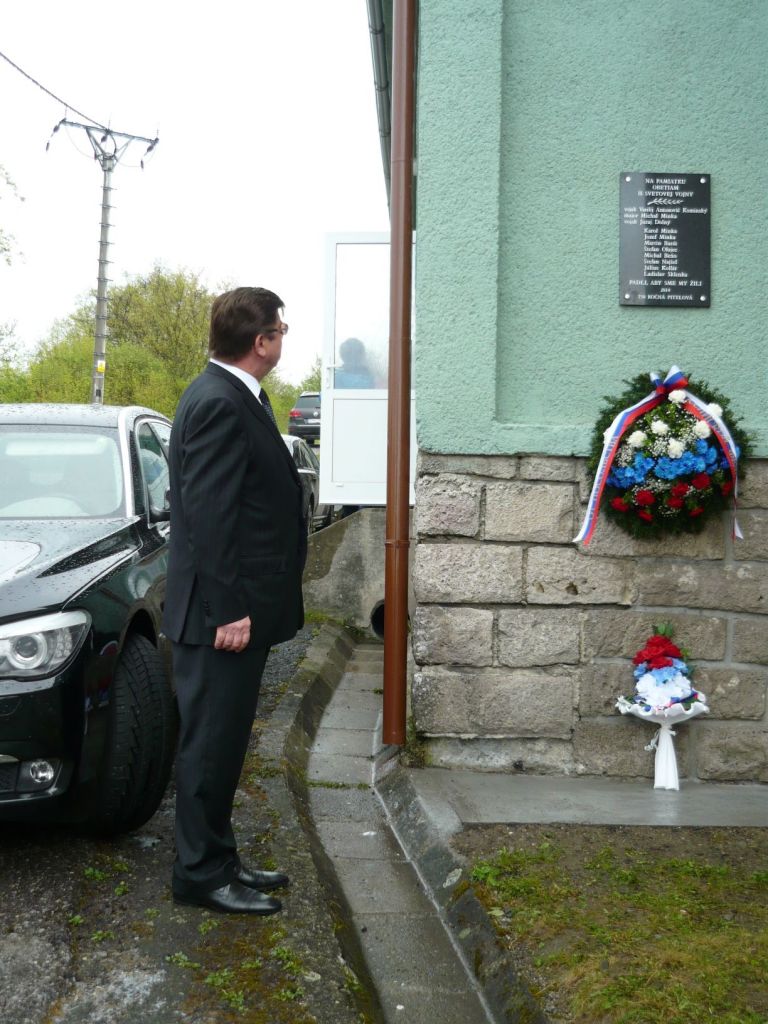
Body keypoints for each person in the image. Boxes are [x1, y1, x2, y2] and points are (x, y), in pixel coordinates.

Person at [163, 286, 306, 915]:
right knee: (209, 746)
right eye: (281, 330)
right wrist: (228, 609)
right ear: (261, 341)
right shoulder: (221, 401)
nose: (282, 339)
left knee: (223, 745)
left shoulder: (232, 393)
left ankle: (219, 859)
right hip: (219, 615)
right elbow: (209, 515)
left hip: (230, 608)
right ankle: (199, 875)